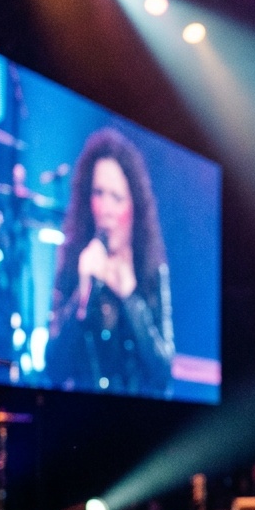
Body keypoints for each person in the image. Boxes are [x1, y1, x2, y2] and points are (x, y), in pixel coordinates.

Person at [46, 127, 174, 397]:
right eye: (98, 193)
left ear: (134, 205)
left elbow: (162, 374)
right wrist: (82, 298)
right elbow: (53, 369)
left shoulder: (151, 270)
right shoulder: (73, 263)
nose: (106, 208)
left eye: (117, 197)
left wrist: (130, 297)